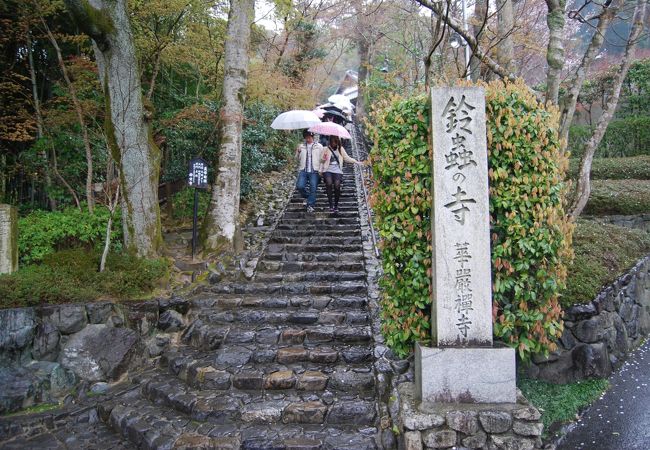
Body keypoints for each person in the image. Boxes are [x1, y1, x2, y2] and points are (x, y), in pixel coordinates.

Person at [319, 135, 366, 214]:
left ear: (337, 141)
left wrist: (356, 162)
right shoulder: (325, 149)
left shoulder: (340, 149)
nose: (334, 144)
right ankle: (331, 205)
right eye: (332, 142)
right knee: (329, 183)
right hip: (327, 170)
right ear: (330, 141)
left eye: (335, 142)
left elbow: (347, 158)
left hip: (337, 170)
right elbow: (321, 160)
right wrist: (324, 158)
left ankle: (336, 205)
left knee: (337, 185)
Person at [295, 129, 323, 213]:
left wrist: (321, 170)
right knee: (300, 186)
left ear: (312, 137)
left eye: (309, 137)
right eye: (306, 137)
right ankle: (310, 197)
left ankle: (310, 205)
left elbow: (321, 160)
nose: (308, 139)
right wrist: (298, 152)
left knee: (313, 188)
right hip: (303, 170)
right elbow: (296, 158)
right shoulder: (301, 146)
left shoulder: (319, 146)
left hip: (314, 170)